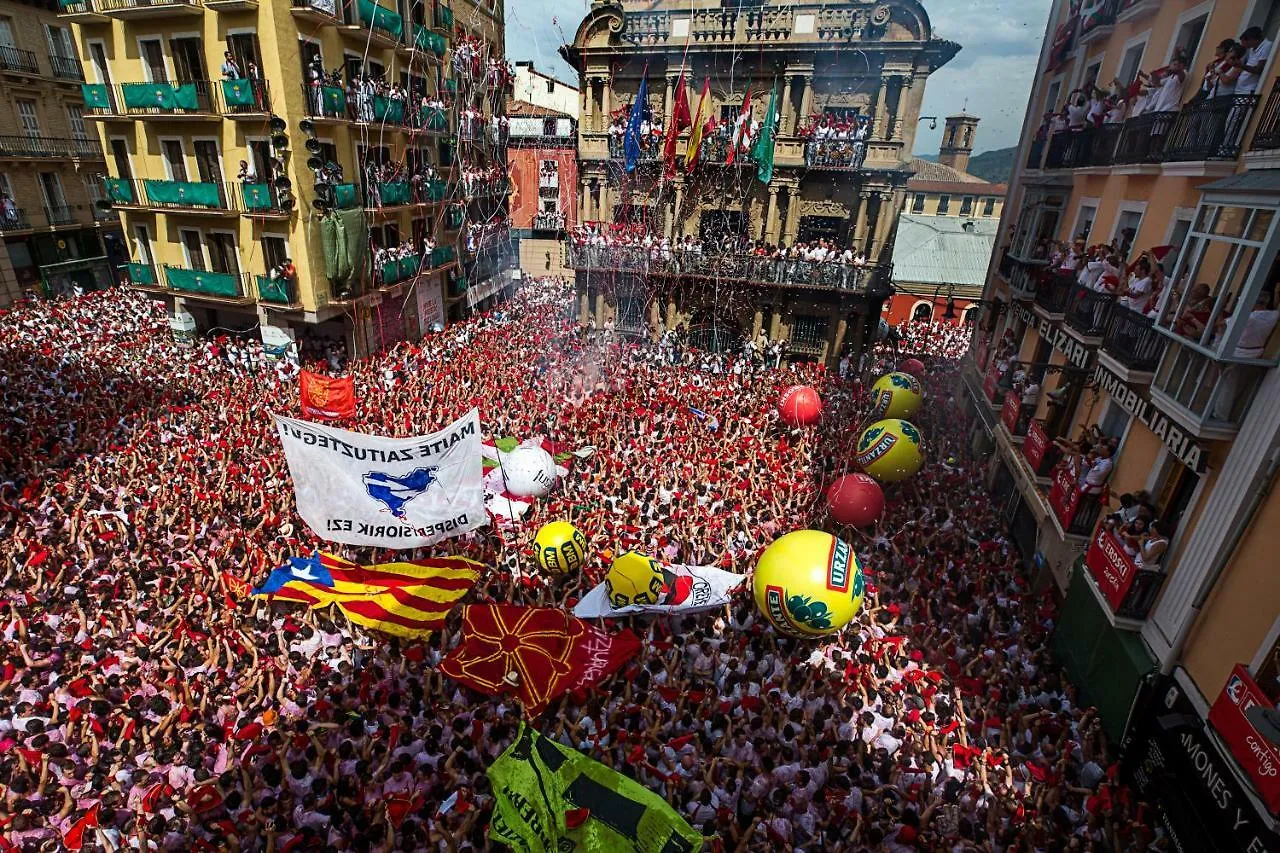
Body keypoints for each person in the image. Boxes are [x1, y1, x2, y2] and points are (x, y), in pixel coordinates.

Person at [1237, 26, 1274, 95]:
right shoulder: (1252, 48)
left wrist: (1241, 65)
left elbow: (1258, 70)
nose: (1243, 45)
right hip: (1241, 88)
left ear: (1253, 39)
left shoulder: (1266, 46)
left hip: (1248, 90)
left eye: (1244, 42)